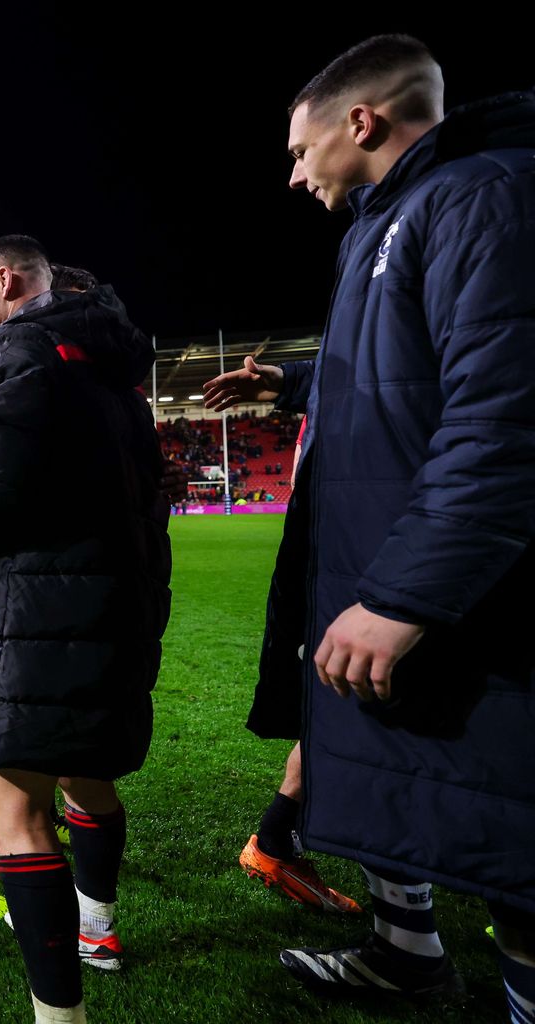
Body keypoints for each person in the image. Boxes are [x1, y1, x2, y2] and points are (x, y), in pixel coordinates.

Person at [209, 36, 535, 1004]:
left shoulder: (484, 195)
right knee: (404, 790)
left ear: (363, 123)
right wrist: (294, 384)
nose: (294, 171)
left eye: (301, 149)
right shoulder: (390, 220)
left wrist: (403, 592)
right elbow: (413, 374)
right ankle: (406, 956)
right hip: (382, 562)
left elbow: (506, 415)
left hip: (462, 592)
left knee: (513, 842)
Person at [0, 236, 170, 1024]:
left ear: (8, 281)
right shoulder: (112, 365)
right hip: (115, 603)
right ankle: (98, 929)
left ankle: (60, 1015)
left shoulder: (16, 349)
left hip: (38, 612)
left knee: (9, 805)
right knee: (87, 773)